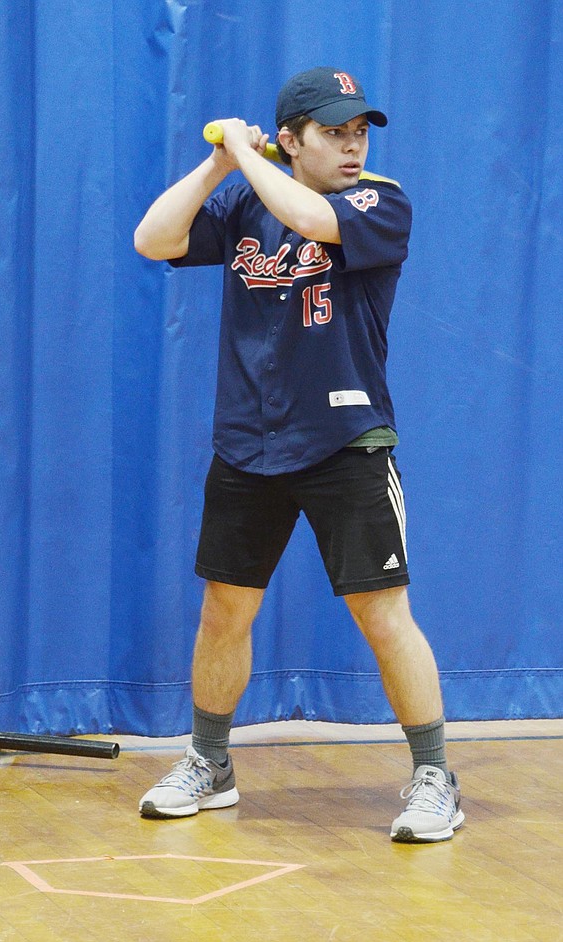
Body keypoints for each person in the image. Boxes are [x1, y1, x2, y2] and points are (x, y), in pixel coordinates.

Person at [134, 66, 464, 843]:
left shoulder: (379, 199)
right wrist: (220, 162)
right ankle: (210, 764)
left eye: (359, 131)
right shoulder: (248, 196)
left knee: (382, 615)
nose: (354, 145)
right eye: (334, 132)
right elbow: (155, 239)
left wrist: (249, 158)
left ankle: (433, 776)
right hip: (249, 442)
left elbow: (312, 218)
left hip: (345, 440)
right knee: (225, 610)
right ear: (292, 139)